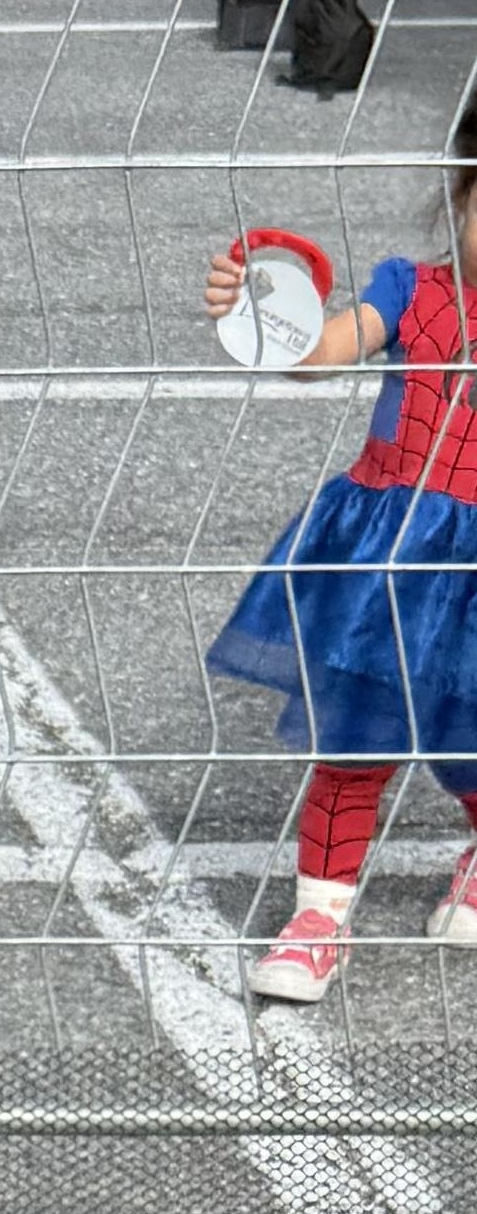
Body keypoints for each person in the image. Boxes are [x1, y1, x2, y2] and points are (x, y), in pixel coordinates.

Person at [204, 100, 477, 1001]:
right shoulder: (414, 289)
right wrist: (263, 312)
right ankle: (319, 915)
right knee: (353, 738)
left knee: (471, 740)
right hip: (388, 557)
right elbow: (323, 351)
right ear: (462, 196)